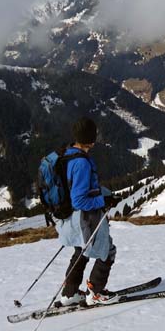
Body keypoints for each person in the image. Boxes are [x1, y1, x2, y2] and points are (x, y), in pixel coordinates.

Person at [56, 117, 118, 307]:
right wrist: (103, 200)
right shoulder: (81, 163)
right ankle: (96, 292)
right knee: (108, 251)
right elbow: (80, 199)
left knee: (80, 250)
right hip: (85, 218)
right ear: (90, 138)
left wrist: (105, 194)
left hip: (70, 218)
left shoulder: (67, 155)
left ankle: (69, 293)